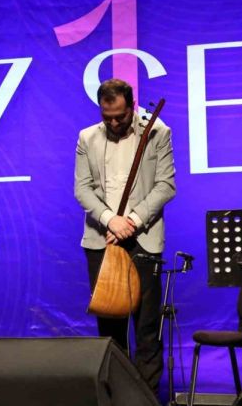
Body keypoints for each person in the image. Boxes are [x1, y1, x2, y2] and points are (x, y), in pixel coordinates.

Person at [75, 78, 176, 393]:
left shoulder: (157, 132)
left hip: (142, 238)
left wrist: (131, 220)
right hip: (101, 240)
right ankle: (115, 395)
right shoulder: (87, 137)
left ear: (132, 106)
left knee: (147, 327)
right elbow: (82, 189)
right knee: (110, 329)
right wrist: (110, 220)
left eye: (120, 116)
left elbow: (165, 185)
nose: (114, 123)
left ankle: (146, 396)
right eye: (107, 117)